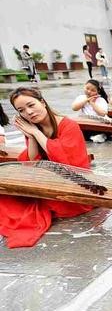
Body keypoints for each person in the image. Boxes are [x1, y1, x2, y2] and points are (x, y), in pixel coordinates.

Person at [0, 87, 93, 248]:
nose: (28, 112)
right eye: (21, 110)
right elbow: (30, 160)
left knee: (18, 207)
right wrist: (32, 136)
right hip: (48, 178)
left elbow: (68, 164)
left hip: (74, 184)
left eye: (31, 105)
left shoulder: (68, 125)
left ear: (42, 102)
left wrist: (37, 134)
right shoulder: (33, 126)